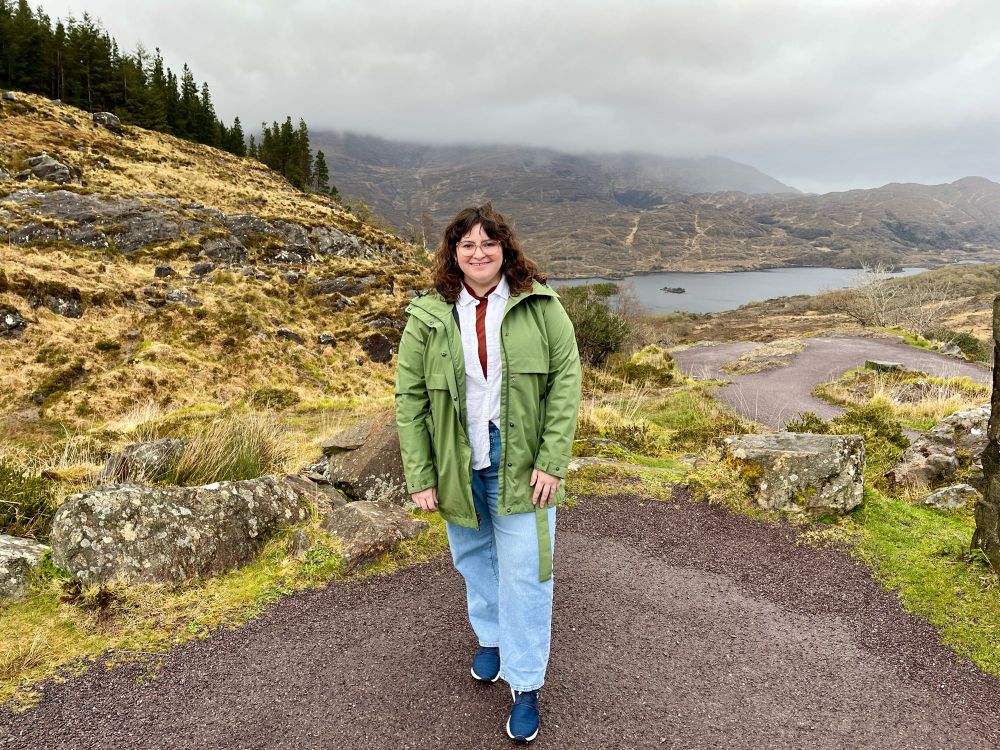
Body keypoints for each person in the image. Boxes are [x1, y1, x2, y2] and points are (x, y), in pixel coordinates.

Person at [394, 202, 581, 743]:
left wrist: (551, 461)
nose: (479, 253)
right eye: (468, 244)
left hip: (519, 456)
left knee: (526, 571)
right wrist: (421, 474)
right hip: (457, 456)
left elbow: (566, 384)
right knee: (473, 555)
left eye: (488, 243)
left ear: (506, 249)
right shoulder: (428, 315)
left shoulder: (540, 306)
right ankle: (492, 638)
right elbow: (409, 400)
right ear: (454, 254)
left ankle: (525, 687)